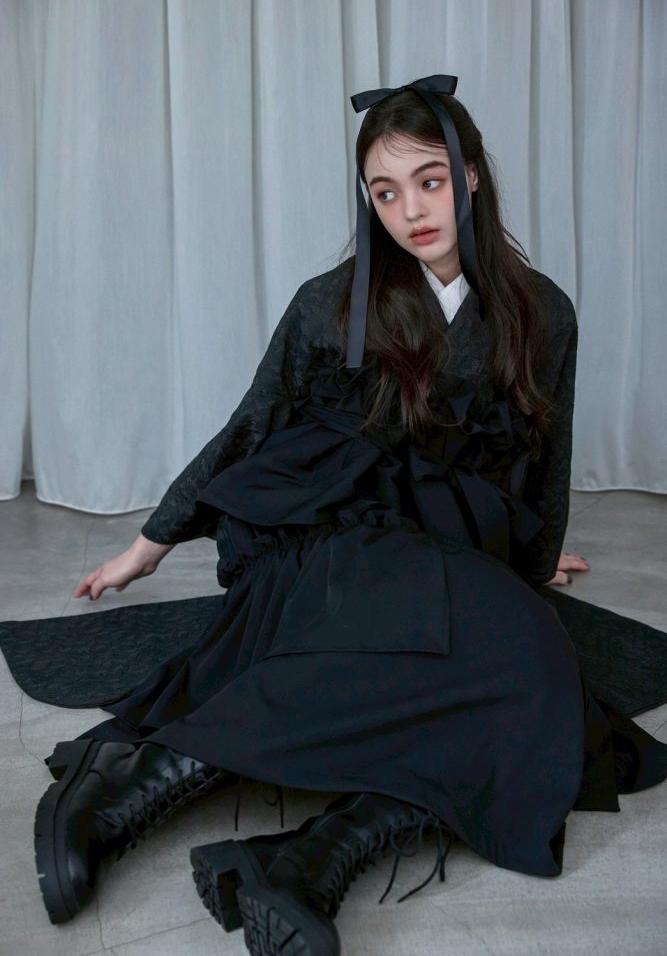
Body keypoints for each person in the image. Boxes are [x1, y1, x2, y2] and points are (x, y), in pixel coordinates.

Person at [32, 76, 667, 956]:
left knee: (536, 661)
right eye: (385, 191)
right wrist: (152, 543)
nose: (410, 210)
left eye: (429, 181)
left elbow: (543, 462)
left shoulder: (541, 311)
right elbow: (247, 427)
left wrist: (526, 573)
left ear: (470, 176)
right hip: (323, 538)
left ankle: (308, 859)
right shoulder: (330, 303)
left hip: (443, 554)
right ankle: (128, 788)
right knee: (468, 648)